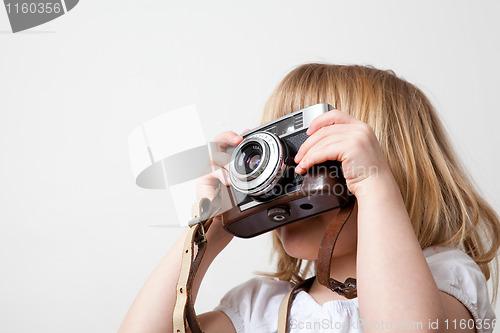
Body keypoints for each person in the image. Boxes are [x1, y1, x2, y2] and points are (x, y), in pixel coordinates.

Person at [118, 64, 500, 333]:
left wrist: (373, 184)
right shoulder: (257, 308)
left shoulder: (445, 278)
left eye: (305, 152)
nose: (283, 176)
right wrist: (204, 230)